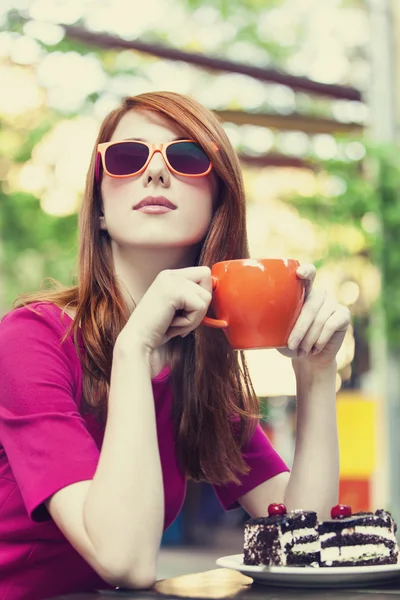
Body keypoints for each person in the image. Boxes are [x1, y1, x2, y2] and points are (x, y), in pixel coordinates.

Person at [0, 91, 350, 600]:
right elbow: (125, 560)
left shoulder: (197, 362)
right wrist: (133, 348)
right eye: (127, 158)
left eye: (186, 157)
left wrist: (317, 374)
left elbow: (302, 538)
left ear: (217, 204)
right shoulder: (29, 339)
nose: (156, 173)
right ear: (98, 208)